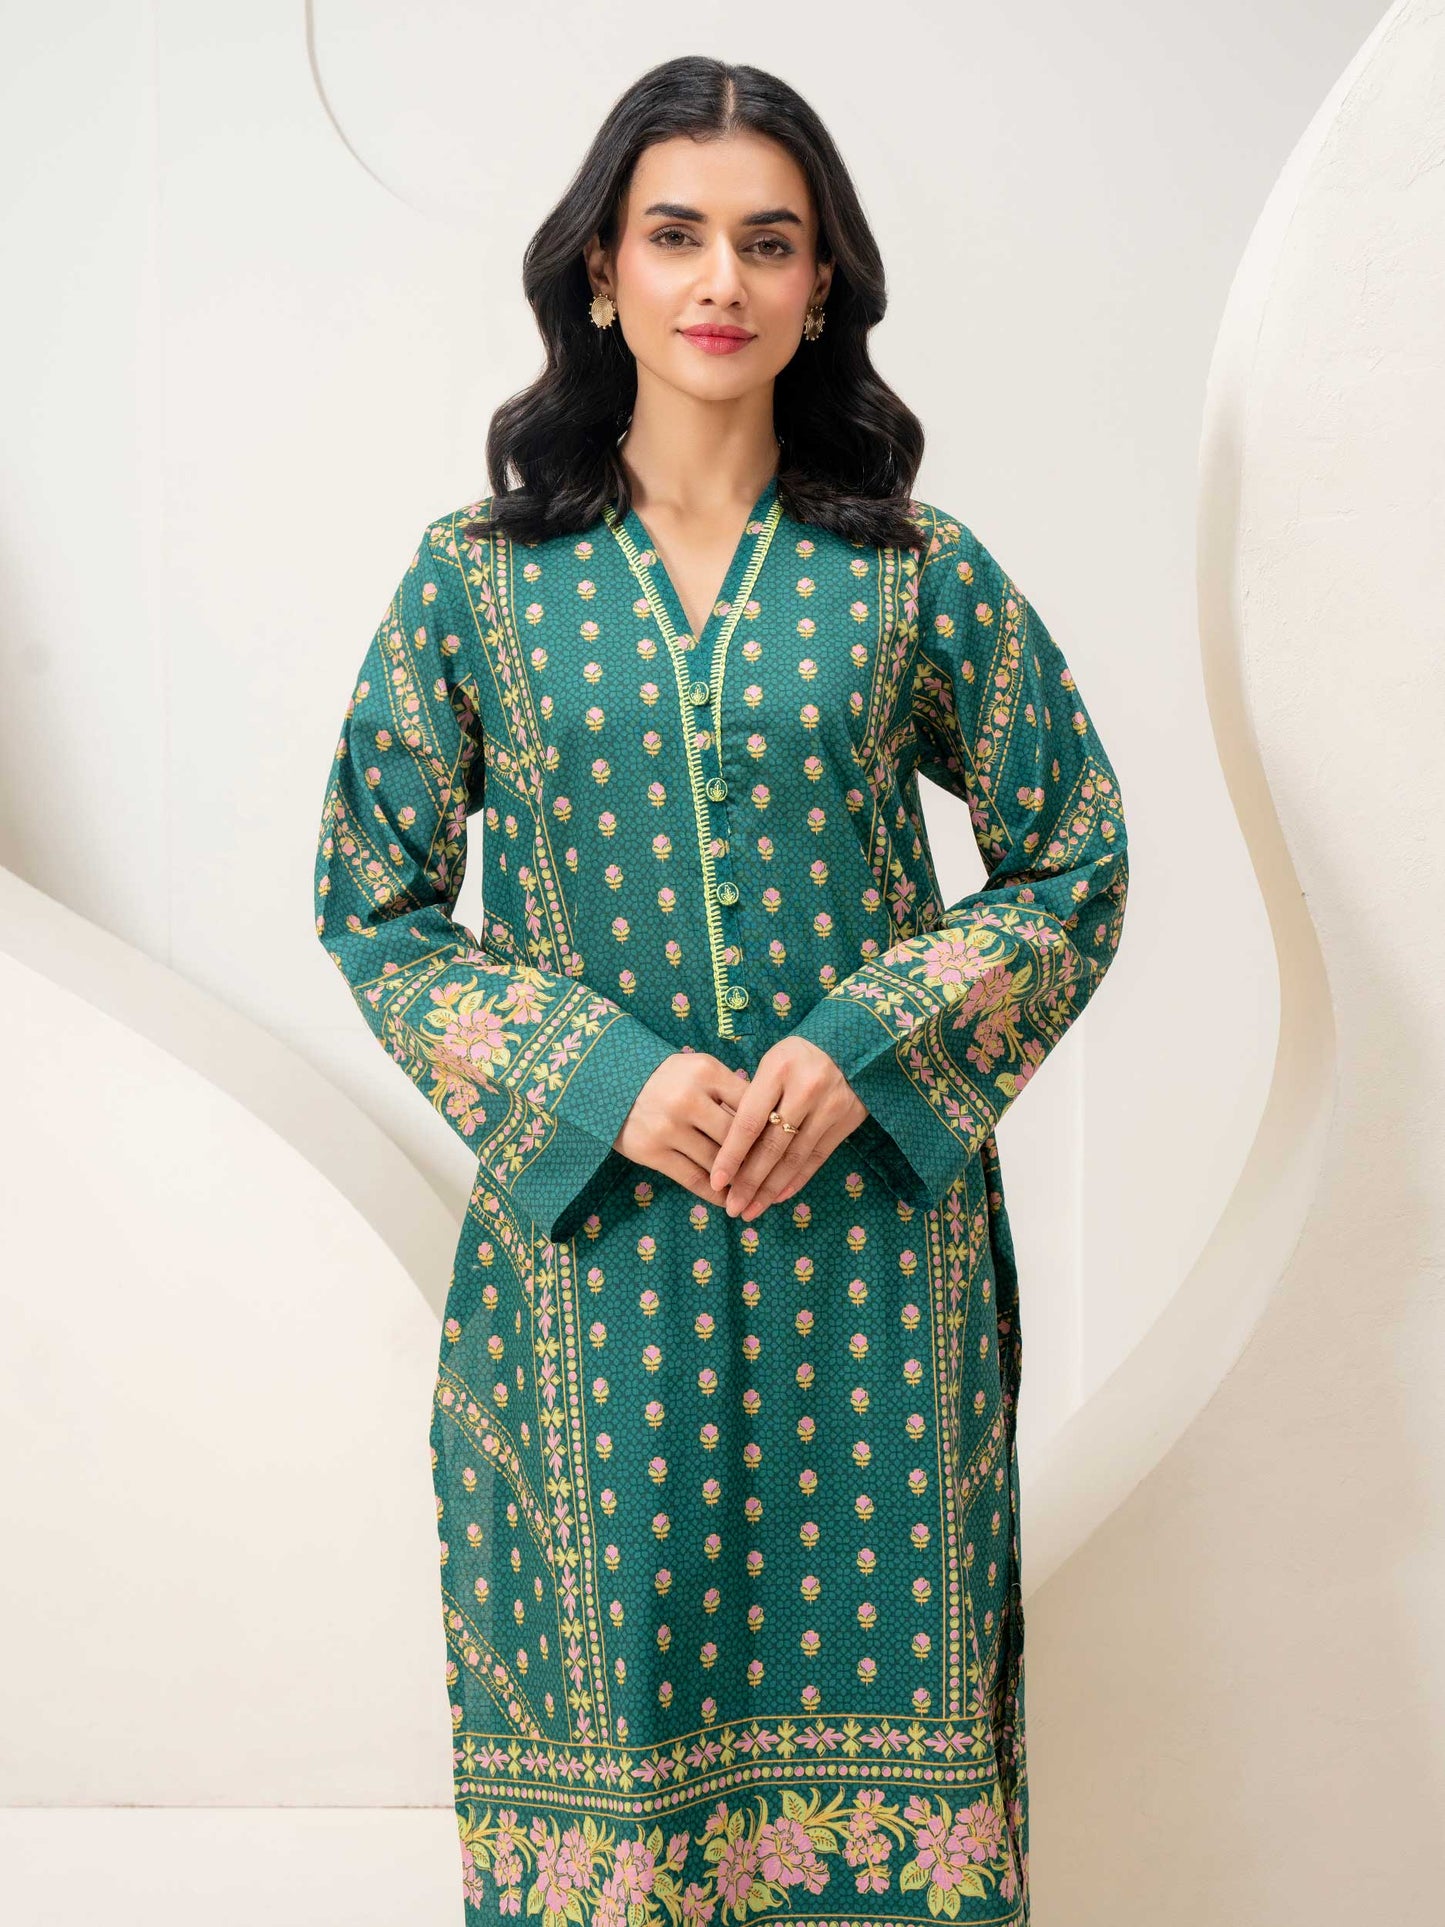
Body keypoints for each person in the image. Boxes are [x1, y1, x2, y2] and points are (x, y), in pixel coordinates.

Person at [313, 53, 1128, 1925]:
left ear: (821, 287)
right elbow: (373, 901)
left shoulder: (914, 575)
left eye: (770, 243)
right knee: (616, 1716)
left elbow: (1073, 857)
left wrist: (864, 1046)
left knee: (894, 1680)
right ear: (599, 270)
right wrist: (598, 1076)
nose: (720, 280)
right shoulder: (478, 584)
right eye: (675, 233)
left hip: (871, 1254)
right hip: (598, 1257)